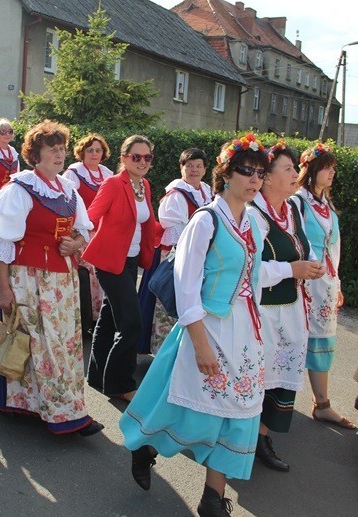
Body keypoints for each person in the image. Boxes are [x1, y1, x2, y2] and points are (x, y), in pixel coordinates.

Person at [120, 137, 268, 517]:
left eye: (260, 173)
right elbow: (186, 289)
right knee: (189, 408)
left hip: (244, 331)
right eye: (246, 171)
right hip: (208, 326)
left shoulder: (254, 221)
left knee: (237, 412)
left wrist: (293, 271)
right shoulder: (205, 221)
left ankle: (212, 499)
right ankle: (146, 445)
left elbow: (255, 275)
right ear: (226, 173)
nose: (254, 180)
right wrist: (200, 343)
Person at [0, 119, 103, 436]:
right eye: (52, 149)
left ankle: (45, 404)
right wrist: (4, 289)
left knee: (62, 345)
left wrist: (75, 243)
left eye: (62, 149)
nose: (59, 155)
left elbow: (83, 231)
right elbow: (1, 243)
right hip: (28, 279)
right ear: (35, 155)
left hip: (62, 282)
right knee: (38, 344)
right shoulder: (19, 189)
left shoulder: (69, 189)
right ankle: (63, 414)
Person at [248, 135, 325, 473]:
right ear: (266, 177)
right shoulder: (252, 213)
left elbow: (302, 246)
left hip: (291, 309)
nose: (296, 173)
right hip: (261, 311)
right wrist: (290, 269)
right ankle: (241, 439)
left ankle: (262, 437)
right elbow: (248, 270)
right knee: (256, 377)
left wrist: (310, 264)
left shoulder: (292, 208)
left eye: (295, 167)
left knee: (280, 379)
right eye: (288, 168)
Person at [83, 135, 157, 402]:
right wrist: (75, 234)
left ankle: (96, 374)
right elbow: (92, 214)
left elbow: (148, 222)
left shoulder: (144, 185)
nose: (142, 162)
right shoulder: (114, 184)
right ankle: (120, 383)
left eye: (147, 157)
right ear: (124, 158)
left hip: (132, 260)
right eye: (136, 156)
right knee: (131, 324)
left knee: (110, 318)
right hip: (110, 262)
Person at [289, 143, 355, 430]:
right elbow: (293, 239)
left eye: (333, 168)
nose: (331, 173)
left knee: (323, 340)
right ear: (312, 170)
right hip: (303, 282)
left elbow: (335, 246)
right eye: (326, 167)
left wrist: (336, 281)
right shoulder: (297, 202)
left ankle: (321, 403)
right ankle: (276, 401)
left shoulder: (326, 203)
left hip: (325, 283)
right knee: (292, 337)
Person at [137, 147, 212, 355]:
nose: (194, 170)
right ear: (181, 168)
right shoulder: (176, 195)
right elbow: (178, 232)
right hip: (175, 256)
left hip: (199, 254)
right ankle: (165, 351)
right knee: (170, 302)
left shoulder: (206, 191)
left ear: (205, 169)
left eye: (198, 166)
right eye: (189, 166)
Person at [62, 133, 113, 340]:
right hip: (81, 232)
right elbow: (66, 201)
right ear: (82, 152)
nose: (94, 154)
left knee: (102, 275)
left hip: (103, 232)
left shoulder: (107, 174)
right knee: (86, 274)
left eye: (98, 150)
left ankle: (99, 318)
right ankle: (85, 319)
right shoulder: (73, 173)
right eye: (90, 150)